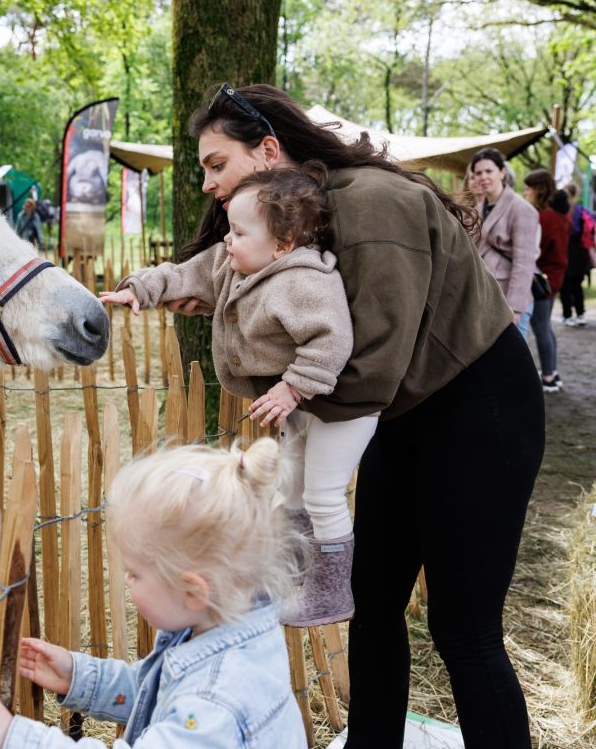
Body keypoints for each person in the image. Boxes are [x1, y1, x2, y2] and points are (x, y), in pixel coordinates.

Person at [153, 83, 543, 749]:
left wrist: (287, 393)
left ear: (268, 150)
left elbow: (371, 361)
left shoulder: (371, 203)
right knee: (374, 608)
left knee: (463, 629)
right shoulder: (296, 222)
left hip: (480, 412)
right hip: (402, 416)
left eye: (218, 164)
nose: (208, 184)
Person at [100, 163, 377, 627]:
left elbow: (331, 342)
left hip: (341, 409)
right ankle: (290, 567)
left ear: (283, 244)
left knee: (324, 494)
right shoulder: (233, 264)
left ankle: (331, 592)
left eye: (240, 232)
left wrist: (293, 386)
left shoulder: (306, 281)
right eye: (230, 230)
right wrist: (140, 290)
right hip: (306, 407)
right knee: (290, 487)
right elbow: (185, 274)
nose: (227, 241)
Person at [0, 439, 307, 749]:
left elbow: (187, 710)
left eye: (135, 573)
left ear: (193, 591)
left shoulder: (215, 704)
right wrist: (80, 678)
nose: (125, 579)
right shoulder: (229, 628)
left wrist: (11, 735)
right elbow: (158, 695)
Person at [471, 147, 540, 339]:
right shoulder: (478, 208)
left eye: (488, 171)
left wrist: (515, 307)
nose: (483, 177)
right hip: (484, 295)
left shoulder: (521, 209)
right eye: (478, 173)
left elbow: (524, 262)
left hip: (509, 298)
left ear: (502, 172)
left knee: (514, 365)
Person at [523, 170, 569, 392]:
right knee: (545, 327)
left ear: (538, 189)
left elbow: (538, 251)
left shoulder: (546, 218)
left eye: (528, 188)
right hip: (551, 277)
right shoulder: (555, 215)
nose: (525, 192)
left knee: (540, 326)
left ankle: (549, 377)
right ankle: (553, 371)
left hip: (544, 279)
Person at [560, 182, 595, 326]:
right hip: (580, 252)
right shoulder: (582, 210)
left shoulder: (562, 211)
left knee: (565, 285)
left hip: (565, 249)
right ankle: (581, 314)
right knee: (576, 285)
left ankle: (567, 316)